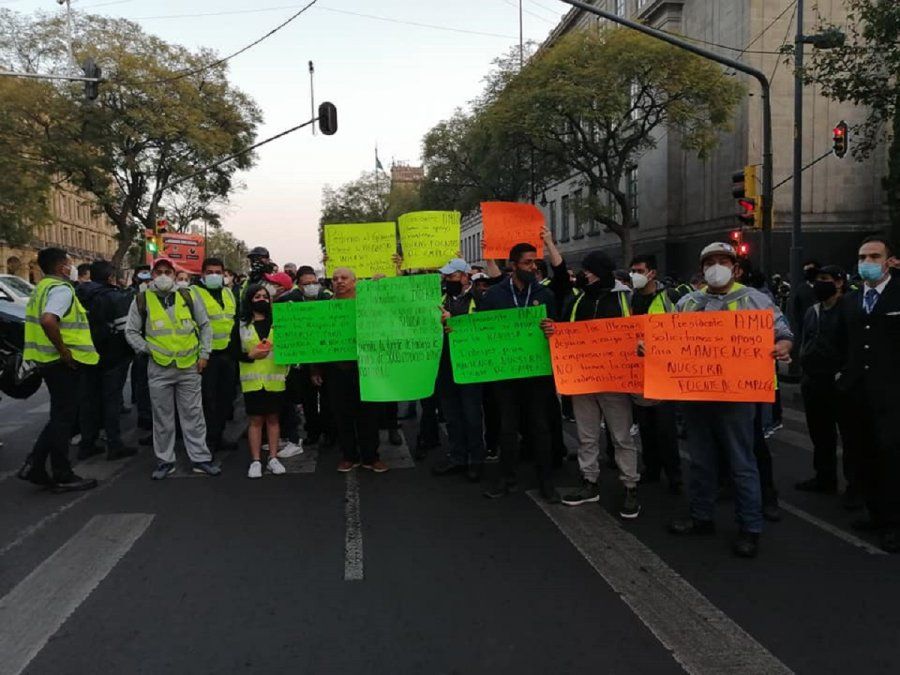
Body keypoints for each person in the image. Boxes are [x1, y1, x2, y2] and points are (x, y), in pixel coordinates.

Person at [667, 242, 793, 558]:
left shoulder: (756, 300)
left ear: (735, 268)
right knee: (700, 460)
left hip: (738, 397)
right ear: (702, 269)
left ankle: (749, 527)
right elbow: (666, 340)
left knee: (741, 462)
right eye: (710, 262)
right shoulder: (687, 303)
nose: (717, 267)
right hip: (697, 395)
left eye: (723, 261)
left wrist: (784, 345)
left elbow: (784, 331)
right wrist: (649, 349)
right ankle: (701, 517)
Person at [542, 250, 642, 518]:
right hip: (583, 379)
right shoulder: (579, 300)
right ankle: (589, 482)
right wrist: (554, 329)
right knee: (586, 436)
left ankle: (630, 485)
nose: (585, 274)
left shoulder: (626, 298)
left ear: (601, 271)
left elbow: (641, 332)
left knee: (621, 437)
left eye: (589, 270)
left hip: (615, 380)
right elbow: (564, 329)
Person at [125, 257, 221, 480]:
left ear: (174, 273)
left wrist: (204, 354)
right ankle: (165, 461)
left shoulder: (188, 295)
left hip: (189, 366)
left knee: (194, 415)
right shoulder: (141, 299)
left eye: (167, 271)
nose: (163, 276)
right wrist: (147, 349)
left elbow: (205, 326)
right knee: (163, 419)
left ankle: (200, 459)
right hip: (159, 368)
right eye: (158, 272)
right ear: (152, 274)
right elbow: (131, 331)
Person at [480, 243, 558, 502]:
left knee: (540, 427)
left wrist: (553, 329)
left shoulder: (545, 294)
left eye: (534, 262)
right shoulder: (494, 295)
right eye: (527, 263)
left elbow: (561, 329)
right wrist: (453, 327)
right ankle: (506, 478)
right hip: (506, 375)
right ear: (513, 265)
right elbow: (478, 330)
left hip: (537, 375)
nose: (533, 267)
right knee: (507, 428)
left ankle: (546, 481)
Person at [17, 248, 98, 492]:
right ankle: (61, 472)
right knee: (64, 419)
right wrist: (63, 351)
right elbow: (48, 320)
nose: (71, 267)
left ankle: (36, 465)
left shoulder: (41, 288)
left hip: (47, 361)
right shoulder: (61, 289)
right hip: (62, 363)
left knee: (59, 417)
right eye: (69, 263)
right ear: (62, 266)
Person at [840, 236, 900, 552]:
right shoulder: (850, 300)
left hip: (891, 396)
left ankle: (893, 523)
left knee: (891, 459)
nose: (868, 262)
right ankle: (874, 513)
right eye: (863, 256)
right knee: (863, 455)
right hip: (856, 395)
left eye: (875, 256)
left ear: (889, 261)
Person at [312, 267, 388, 473]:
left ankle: (371, 457)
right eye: (335, 279)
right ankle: (348, 456)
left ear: (354, 282)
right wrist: (316, 370)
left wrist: (385, 284)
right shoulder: (325, 308)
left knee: (369, 415)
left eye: (344, 278)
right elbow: (316, 341)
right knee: (342, 414)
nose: (339, 281)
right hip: (337, 369)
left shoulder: (367, 304)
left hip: (366, 367)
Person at [794, 265, 859, 501]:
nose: (819, 284)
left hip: (840, 382)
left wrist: (845, 373)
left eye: (825, 279)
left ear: (839, 282)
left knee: (850, 436)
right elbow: (806, 338)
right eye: (818, 279)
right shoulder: (813, 310)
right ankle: (824, 477)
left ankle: (855, 487)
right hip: (814, 380)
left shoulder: (849, 309)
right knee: (820, 433)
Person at [628, 254, 683, 493]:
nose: (634, 275)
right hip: (638, 374)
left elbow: (683, 332)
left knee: (665, 429)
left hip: (664, 374)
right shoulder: (630, 299)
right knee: (646, 427)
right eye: (632, 270)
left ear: (652, 273)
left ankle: (674, 477)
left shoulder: (670, 298)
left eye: (639, 270)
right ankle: (651, 470)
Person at [76, 260, 137, 461]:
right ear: (110, 277)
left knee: (89, 401)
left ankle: (87, 443)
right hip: (112, 357)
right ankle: (114, 444)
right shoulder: (114, 297)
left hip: (86, 355)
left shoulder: (79, 294)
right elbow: (124, 330)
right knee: (111, 401)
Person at [433, 258, 485, 481]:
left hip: (470, 367)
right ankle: (457, 458)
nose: (447, 280)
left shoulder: (481, 298)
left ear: (465, 277)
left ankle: (476, 461)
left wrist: (455, 322)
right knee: (452, 416)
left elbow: (486, 328)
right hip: (446, 367)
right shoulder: (440, 299)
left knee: (472, 416)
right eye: (445, 276)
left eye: (452, 276)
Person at [239, 284, 288, 478]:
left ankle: (273, 458)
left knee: (273, 419)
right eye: (257, 296)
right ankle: (256, 460)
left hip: (275, 379)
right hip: (252, 381)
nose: (262, 300)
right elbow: (234, 352)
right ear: (249, 300)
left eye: (265, 296)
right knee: (256, 420)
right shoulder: (241, 325)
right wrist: (249, 355)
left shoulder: (279, 322)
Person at [192, 258, 238, 455]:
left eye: (218, 272)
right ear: (202, 274)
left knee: (225, 399)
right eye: (210, 272)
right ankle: (207, 440)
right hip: (206, 356)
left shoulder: (228, 293)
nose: (214, 275)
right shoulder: (193, 293)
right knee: (206, 400)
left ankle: (218, 435)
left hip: (227, 355)